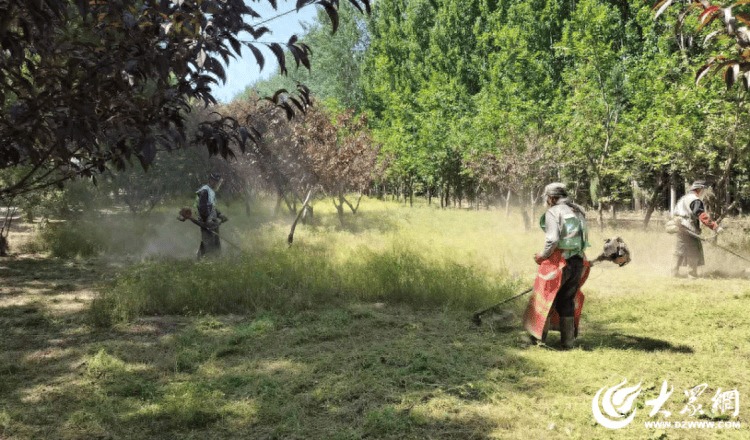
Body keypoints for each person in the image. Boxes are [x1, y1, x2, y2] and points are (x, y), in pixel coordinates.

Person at [524, 182, 590, 350]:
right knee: (566, 300)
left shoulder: (553, 212)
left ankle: (537, 340)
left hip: (559, 263)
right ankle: (568, 343)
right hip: (578, 262)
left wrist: (542, 256)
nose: (546, 202)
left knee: (544, 299)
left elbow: (552, 240)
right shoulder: (579, 210)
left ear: (552, 198)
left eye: (547, 199)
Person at [671, 181, 723, 278]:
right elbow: (702, 216)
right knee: (693, 251)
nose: (705, 192)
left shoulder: (684, 198)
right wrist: (715, 227)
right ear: (700, 189)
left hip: (679, 226)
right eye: (704, 190)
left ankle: (674, 273)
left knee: (679, 250)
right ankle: (692, 275)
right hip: (688, 227)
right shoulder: (695, 200)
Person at [195, 173, 228, 258]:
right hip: (207, 220)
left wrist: (220, 216)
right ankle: (208, 260)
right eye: (217, 182)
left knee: (213, 240)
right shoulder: (205, 191)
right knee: (209, 242)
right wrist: (206, 221)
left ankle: (207, 258)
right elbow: (202, 208)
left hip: (211, 220)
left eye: (219, 182)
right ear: (211, 180)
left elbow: (211, 207)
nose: (218, 184)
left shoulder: (210, 191)